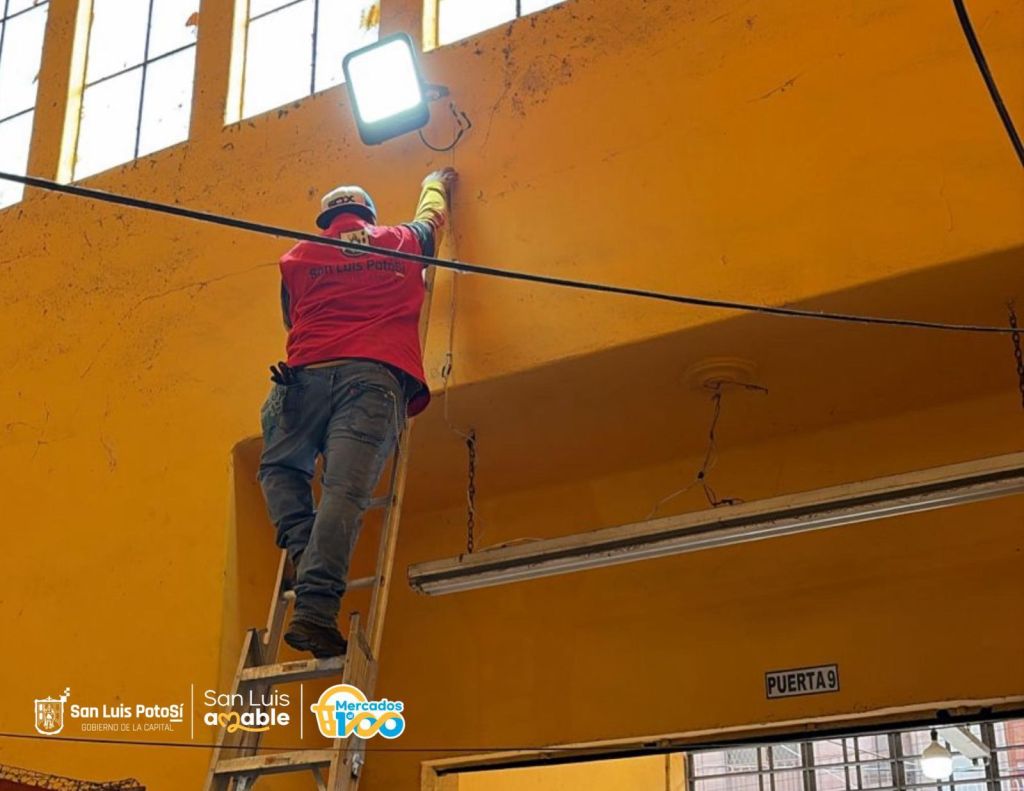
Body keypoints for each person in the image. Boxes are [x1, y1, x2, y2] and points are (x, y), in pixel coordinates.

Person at [258, 168, 457, 658]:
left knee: (280, 469)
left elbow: (293, 316)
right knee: (343, 494)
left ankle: (305, 555)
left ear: (325, 218)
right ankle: (315, 607)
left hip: (300, 379)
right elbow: (432, 219)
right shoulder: (401, 241)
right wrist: (434, 179)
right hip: (371, 382)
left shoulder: (296, 258)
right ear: (366, 213)